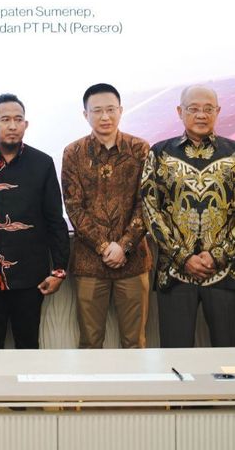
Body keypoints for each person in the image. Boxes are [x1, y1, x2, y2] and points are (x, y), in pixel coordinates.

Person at [141, 84, 235, 348]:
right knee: (176, 355)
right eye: (193, 109)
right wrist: (182, 256)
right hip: (175, 273)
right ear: (179, 111)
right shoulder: (159, 153)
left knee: (229, 358)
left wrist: (218, 255)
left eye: (208, 109)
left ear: (218, 111)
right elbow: (150, 208)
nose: (201, 115)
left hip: (228, 272)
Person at [0, 93, 70, 349]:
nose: (12, 125)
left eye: (18, 119)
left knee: (28, 346)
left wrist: (59, 270)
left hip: (31, 277)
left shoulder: (42, 163)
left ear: (25, 125)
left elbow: (55, 219)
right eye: (5, 119)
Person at [61, 83, 151, 348]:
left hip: (133, 260)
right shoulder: (73, 153)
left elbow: (146, 202)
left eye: (111, 109)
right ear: (85, 115)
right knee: (90, 342)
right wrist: (103, 246)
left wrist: (123, 246)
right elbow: (73, 206)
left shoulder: (141, 149)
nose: (105, 117)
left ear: (121, 111)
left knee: (135, 343)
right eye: (97, 111)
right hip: (89, 262)